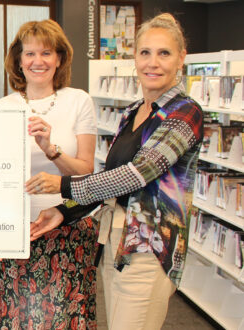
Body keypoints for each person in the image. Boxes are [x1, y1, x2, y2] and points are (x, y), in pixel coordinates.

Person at [28, 13, 203, 329]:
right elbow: (112, 180)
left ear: (181, 59)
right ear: (134, 58)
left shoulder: (185, 113)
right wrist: (63, 211)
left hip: (149, 248)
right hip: (115, 242)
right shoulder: (133, 112)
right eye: (145, 52)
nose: (153, 62)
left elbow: (137, 173)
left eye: (164, 53)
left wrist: (62, 185)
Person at [0, 20, 98, 329]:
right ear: (19, 60)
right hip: (18, 229)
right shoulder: (1, 107)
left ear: (60, 58)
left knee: (64, 319)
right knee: (16, 317)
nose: (38, 61)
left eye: (47, 53)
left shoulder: (79, 101)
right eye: (30, 53)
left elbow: (86, 172)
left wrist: (52, 150)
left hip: (69, 224)